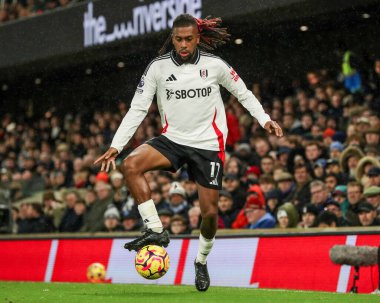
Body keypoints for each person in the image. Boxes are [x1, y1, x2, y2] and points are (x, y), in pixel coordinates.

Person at [94, 14, 282, 292]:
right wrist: (116, 146)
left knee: (209, 214)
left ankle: (201, 261)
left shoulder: (214, 65)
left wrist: (264, 118)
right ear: (173, 39)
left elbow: (243, 93)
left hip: (208, 145)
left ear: (197, 38)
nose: (183, 44)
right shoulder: (157, 68)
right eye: (179, 39)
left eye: (188, 39)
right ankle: (155, 229)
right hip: (173, 140)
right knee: (130, 165)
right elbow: (138, 108)